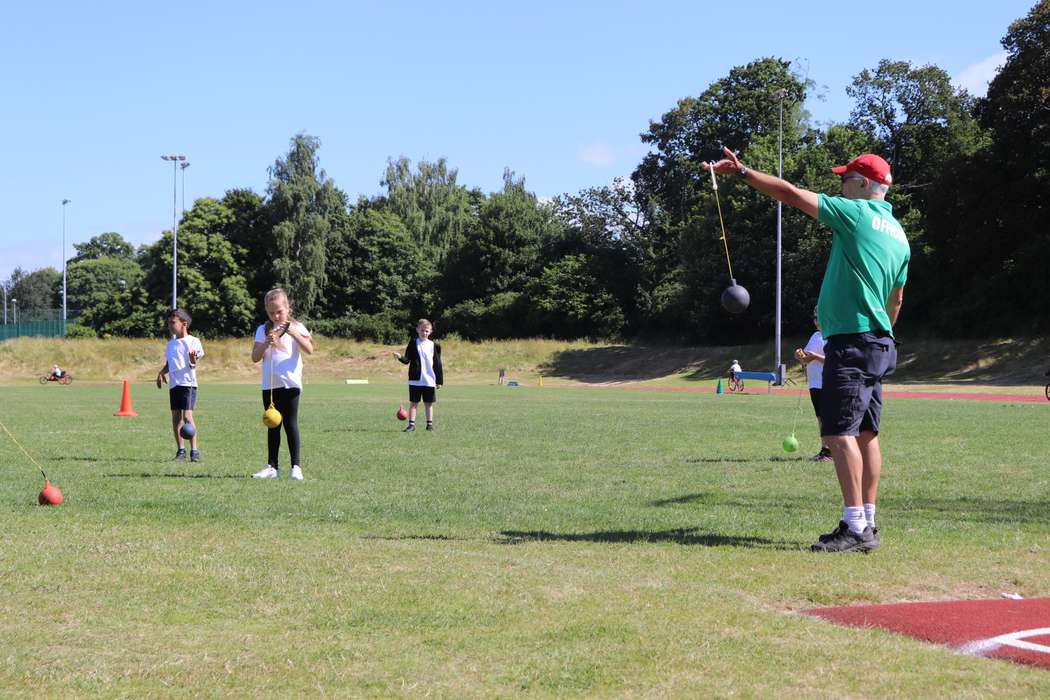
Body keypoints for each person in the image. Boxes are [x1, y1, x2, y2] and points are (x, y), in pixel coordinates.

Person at [706, 148, 910, 553]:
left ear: (864, 184)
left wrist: (743, 172)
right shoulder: (899, 234)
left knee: (839, 433)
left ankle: (855, 528)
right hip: (879, 342)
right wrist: (879, 331)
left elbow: (791, 194)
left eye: (845, 179)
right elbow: (897, 299)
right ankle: (869, 521)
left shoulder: (856, 213)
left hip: (852, 341)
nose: (840, 186)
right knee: (867, 433)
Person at [251, 288, 313, 480]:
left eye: (279, 311)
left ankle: (296, 467)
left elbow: (309, 349)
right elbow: (255, 357)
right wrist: (266, 343)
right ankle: (272, 467)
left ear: (288, 308)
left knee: (290, 423)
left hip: (290, 384)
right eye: (271, 312)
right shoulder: (262, 330)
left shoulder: (297, 326)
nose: (276, 316)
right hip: (269, 386)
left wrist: (294, 333)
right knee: (272, 424)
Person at [156, 308, 204, 462]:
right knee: (176, 418)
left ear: (184, 324)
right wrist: (162, 373)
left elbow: (193, 364)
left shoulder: (194, 341)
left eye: (173, 322)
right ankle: (181, 451)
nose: (170, 326)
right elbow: (169, 363)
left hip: (188, 384)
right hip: (174, 384)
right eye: (169, 323)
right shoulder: (171, 344)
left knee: (187, 416)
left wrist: (192, 360)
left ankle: (194, 451)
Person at [392, 318, 443, 432]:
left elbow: (437, 363)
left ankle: (429, 425)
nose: (424, 333)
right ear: (417, 330)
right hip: (415, 379)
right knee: (414, 403)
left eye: (427, 331)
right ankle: (411, 425)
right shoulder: (413, 343)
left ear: (430, 332)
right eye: (422, 330)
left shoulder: (434, 345)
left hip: (429, 380)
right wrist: (400, 357)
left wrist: (439, 381)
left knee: (428, 404)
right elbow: (407, 360)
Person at [795, 308, 831, 462]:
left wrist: (815, 356)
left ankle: (831, 451)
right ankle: (825, 450)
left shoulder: (833, 337)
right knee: (820, 418)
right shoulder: (815, 336)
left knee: (828, 418)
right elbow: (806, 358)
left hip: (828, 383)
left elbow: (834, 360)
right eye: (815, 318)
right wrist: (800, 355)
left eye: (819, 317)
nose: (816, 321)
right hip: (814, 384)